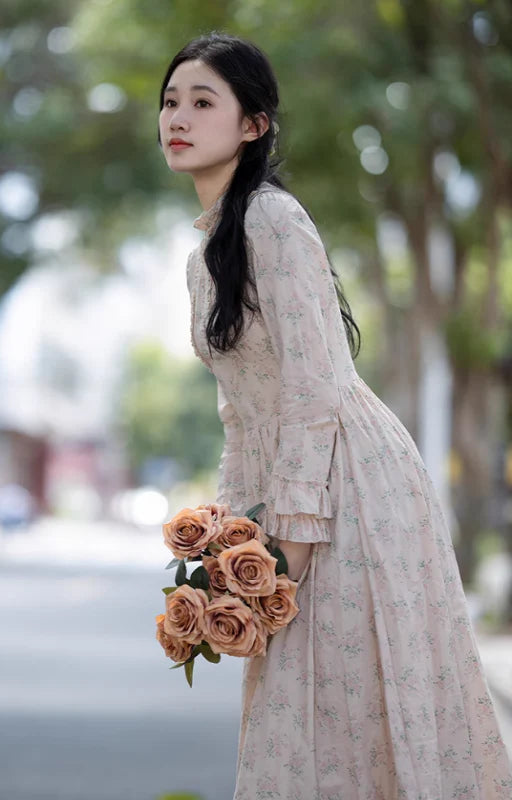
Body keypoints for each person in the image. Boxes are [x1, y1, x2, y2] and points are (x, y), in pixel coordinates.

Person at [157, 30, 512, 799]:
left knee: (344, 710)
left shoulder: (273, 221)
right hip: (288, 492)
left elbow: (314, 389)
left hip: (349, 490)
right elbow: (240, 413)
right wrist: (227, 543)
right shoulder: (204, 256)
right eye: (170, 102)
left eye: (202, 101)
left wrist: (294, 541)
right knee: (294, 712)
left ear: (253, 126)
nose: (176, 118)